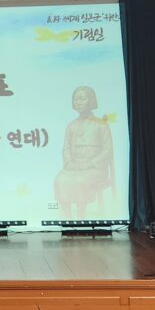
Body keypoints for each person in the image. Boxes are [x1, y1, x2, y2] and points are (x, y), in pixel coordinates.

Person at [53, 86, 114, 219]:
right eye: (76, 99)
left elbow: (108, 150)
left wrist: (90, 163)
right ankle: (68, 218)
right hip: (74, 167)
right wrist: (69, 162)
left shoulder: (101, 124)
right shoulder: (71, 126)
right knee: (60, 179)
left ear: (91, 100)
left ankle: (81, 218)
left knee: (81, 181)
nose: (78, 102)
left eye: (82, 98)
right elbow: (66, 148)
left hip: (95, 168)